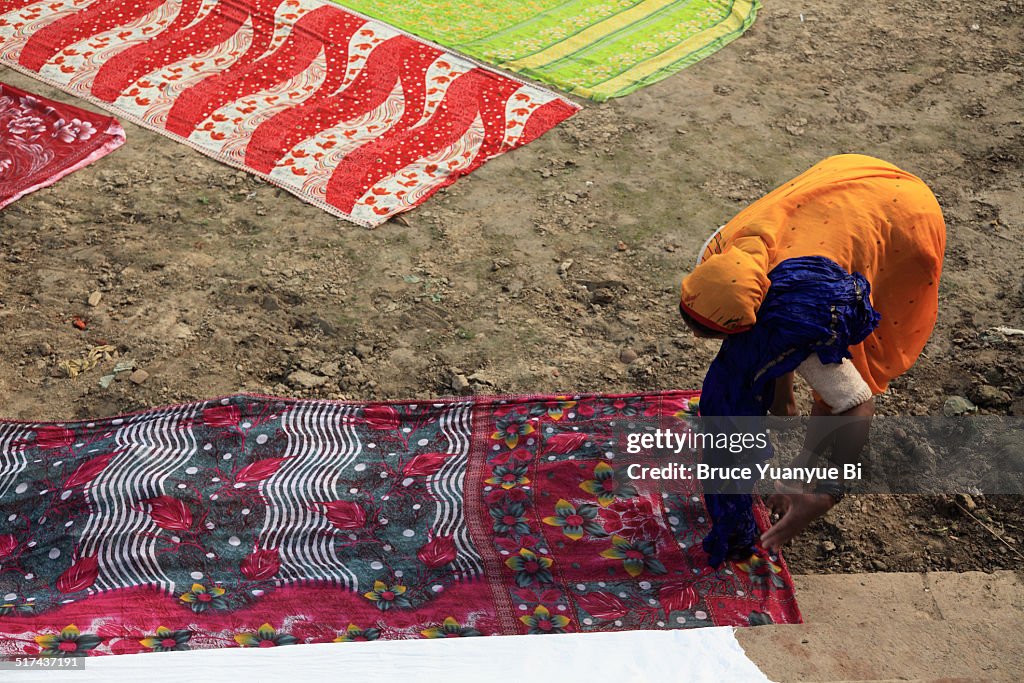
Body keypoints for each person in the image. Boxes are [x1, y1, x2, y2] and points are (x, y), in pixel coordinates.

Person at [679, 154, 946, 564]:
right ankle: (804, 466)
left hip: (903, 220)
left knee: (848, 361)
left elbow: (855, 402)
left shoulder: (802, 316)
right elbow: (762, 334)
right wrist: (783, 401)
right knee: (793, 359)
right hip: (849, 187)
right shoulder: (724, 255)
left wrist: (826, 490)